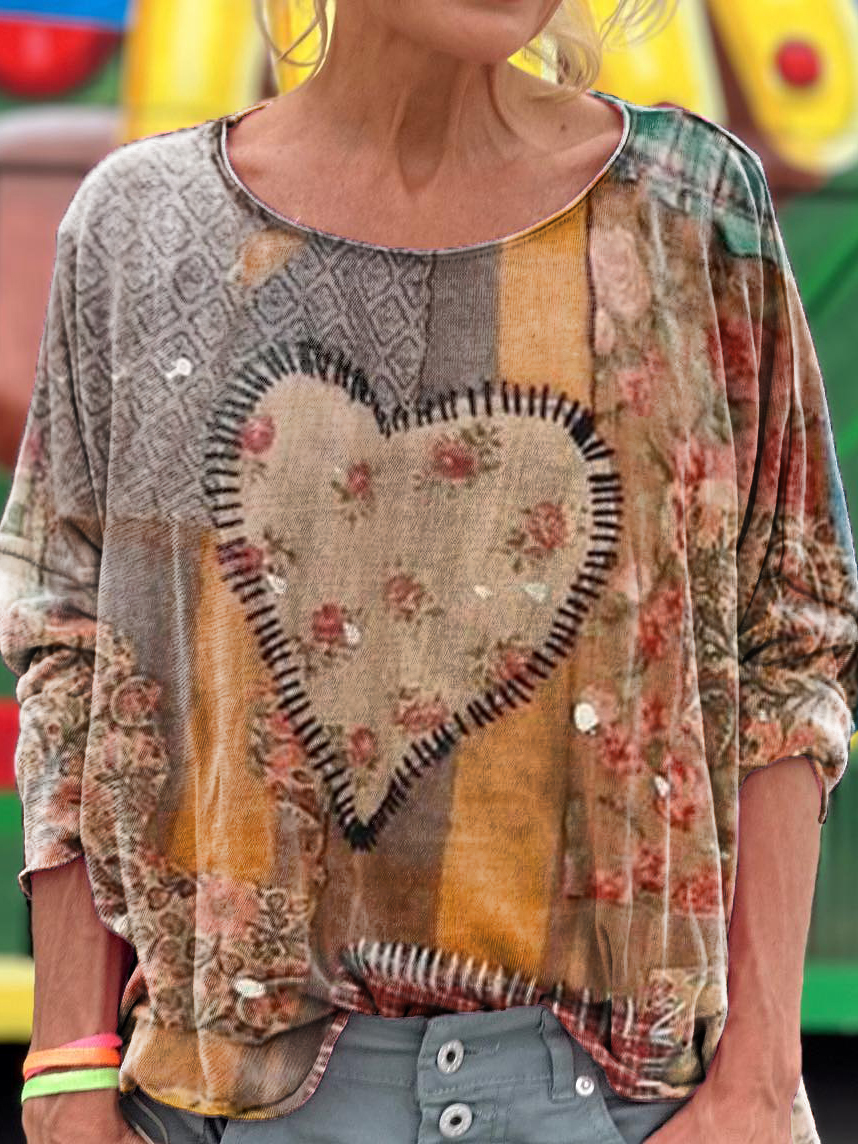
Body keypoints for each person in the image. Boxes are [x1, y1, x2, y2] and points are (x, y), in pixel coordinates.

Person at [3, 1, 857, 1142]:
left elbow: (790, 636)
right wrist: (64, 1072)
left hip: (623, 1110)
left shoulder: (689, 210)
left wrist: (759, 1082)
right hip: (221, 1104)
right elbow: (72, 647)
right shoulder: (143, 227)